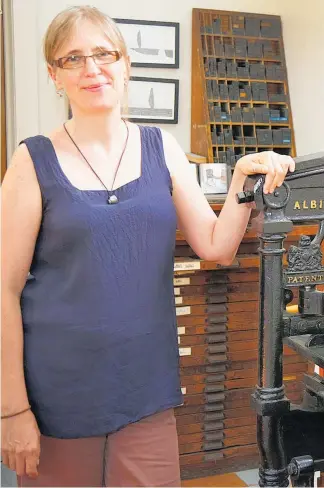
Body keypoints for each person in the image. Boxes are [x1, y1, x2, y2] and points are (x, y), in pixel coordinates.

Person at [1, 5, 295, 487]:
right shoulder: (32, 161)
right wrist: (11, 411)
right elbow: (3, 291)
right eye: (73, 58)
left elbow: (216, 247)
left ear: (125, 65)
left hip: (146, 389)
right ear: (54, 75)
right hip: (59, 395)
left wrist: (243, 176)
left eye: (103, 53)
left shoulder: (163, 148)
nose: (92, 68)